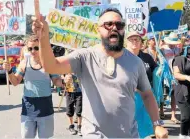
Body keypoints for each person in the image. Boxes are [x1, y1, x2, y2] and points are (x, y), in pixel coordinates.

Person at [32, 8, 168, 138]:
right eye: (108, 24)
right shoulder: (85, 57)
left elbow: (147, 95)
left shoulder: (136, 62)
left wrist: (157, 124)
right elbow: (51, 66)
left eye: (119, 25)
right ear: (98, 30)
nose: (114, 28)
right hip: (94, 135)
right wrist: (43, 39)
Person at [3, 35, 63, 139]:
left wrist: (63, 81)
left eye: (36, 48)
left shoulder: (48, 63)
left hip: (45, 107)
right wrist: (9, 71)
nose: (33, 51)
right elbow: (15, 81)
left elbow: (56, 81)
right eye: (30, 48)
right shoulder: (24, 63)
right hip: (28, 108)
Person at [162, 32, 182, 124]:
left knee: (174, 94)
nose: (173, 45)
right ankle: (161, 111)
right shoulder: (163, 49)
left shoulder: (177, 49)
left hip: (175, 74)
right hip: (165, 74)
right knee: (163, 94)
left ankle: (173, 115)